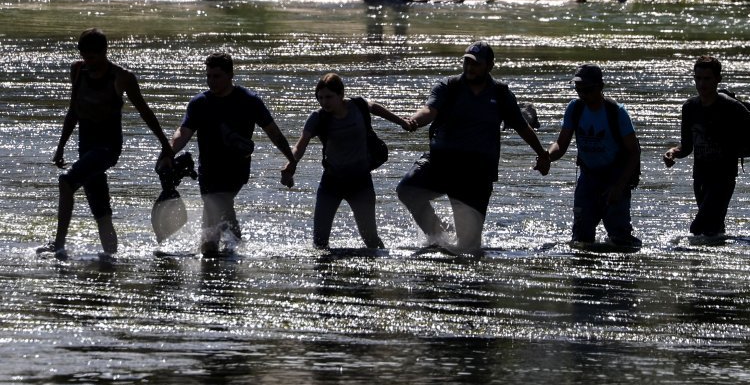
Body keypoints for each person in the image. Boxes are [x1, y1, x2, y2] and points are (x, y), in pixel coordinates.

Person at [397, 41, 550, 253]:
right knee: (408, 189)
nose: (470, 68)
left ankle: (454, 247)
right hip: (442, 163)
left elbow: (522, 128)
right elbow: (429, 111)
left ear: (490, 66)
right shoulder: (448, 87)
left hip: (477, 174)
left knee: (469, 250)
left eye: (476, 64)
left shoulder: (500, 94)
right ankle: (438, 234)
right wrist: (413, 120)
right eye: (467, 62)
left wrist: (542, 155)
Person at [38, 27, 173, 260]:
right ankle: (111, 258)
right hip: (86, 147)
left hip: (108, 148)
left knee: (66, 181)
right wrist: (61, 146)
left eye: (92, 57)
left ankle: (58, 246)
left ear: (104, 52)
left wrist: (165, 145)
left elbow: (145, 112)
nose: (88, 61)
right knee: (99, 208)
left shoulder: (122, 77)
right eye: (84, 56)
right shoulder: (78, 70)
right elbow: (73, 111)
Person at [171, 52, 297, 256]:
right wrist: (166, 154)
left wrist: (291, 159)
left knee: (214, 214)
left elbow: (273, 133)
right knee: (217, 223)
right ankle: (236, 253)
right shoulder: (200, 103)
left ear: (230, 75)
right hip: (208, 172)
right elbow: (182, 133)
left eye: (217, 76)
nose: (211, 81)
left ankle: (223, 257)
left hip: (235, 171)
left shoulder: (249, 101)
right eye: (208, 76)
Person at [282, 73, 411, 249]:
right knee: (319, 243)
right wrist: (290, 163)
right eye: (320, 98)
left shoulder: (358, 106)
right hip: (331, 183)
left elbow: (375, 107)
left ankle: (378, 270)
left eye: (329, 97)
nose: (324, 102)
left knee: (371, 240)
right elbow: (300, 145)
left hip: (360, 182)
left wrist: (401, 121)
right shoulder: (318, 117)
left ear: (341, 94)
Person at [663, 55, 750, 237]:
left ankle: (702, 260)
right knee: (713, 229)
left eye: (707, 79)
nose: (702, 84)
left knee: (698, 228)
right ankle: (717, 261)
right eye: (698, 78)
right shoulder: (690, 107)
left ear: (717, 80)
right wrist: (672, 153)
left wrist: (735, 149)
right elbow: (687, 147)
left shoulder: (731, 107)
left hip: (724, 177)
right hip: (700, 176)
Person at [547, 63, 641, 248]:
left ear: (600, 86)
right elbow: (561, 144)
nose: (583, 94)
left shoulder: (617, 112)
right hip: (588, 177)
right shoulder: (575, 109)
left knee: (620, 239)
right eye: (578, 89)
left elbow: (634, 152)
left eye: (587, 90)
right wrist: (547, 156)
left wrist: (619, 186)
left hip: (615, 176)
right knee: (580, 239)